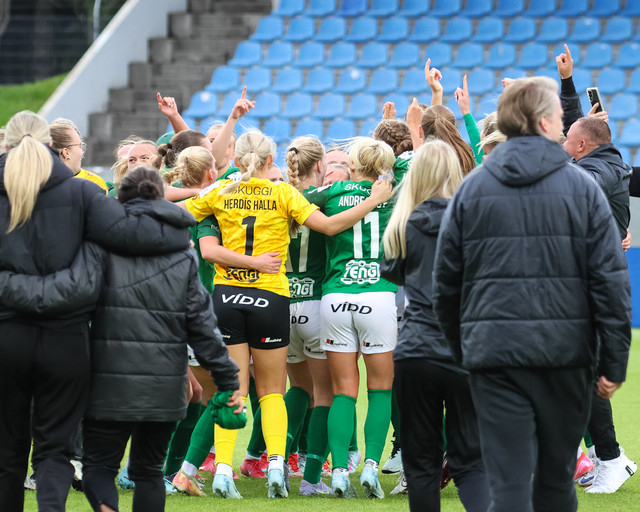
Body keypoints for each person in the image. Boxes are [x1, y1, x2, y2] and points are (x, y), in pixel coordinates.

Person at [433, 77, 632, 512]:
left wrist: (464, 349)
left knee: (507, 483)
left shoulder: (472, 189)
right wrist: (613, 361)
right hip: (565, 357)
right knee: (556, 483)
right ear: (543, 122)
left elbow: (445, 284)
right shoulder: (582, 189)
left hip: (493, 357)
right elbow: (610, 282)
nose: (564, 125)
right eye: (560, 117)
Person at [181, 130, 392, 499]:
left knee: (233, 389)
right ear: (269, 160)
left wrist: (201, 192)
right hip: (273, 297)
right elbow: (329, 226)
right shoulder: (283, 193)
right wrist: (373, 199)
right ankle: (279, 466)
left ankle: (222, 471)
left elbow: (176, 215)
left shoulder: (222, 192)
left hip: (227, 296)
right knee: (273, 391)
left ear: (237, 160)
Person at [0, 111, 192, 512]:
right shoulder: (83, 194)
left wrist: (18, 289)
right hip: (66, 337)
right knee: (55, 449)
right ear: (53, 148)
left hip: (8, 335)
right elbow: (132, 233)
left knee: (8, 452)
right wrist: (178, 231)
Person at [381, 139, 489, 512]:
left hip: (417, 349)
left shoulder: (403, 223)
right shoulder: (474, 221)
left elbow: (392, 272)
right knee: (472, 460)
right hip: (465, 348)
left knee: (422, 463)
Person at [308, 138, 398, 499]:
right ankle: (372, 466)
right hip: (378, 294)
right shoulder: (394, 192)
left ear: (352, 164)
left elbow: (293, 198)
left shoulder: (330, 192)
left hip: (335, 297)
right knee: (380, 388)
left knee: (343, 390)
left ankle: (340, 472)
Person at [49, 118, 108, 192]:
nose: (82, 151)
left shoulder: (38, 182)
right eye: (80, 146)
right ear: (66, 153)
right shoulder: (94, 183)